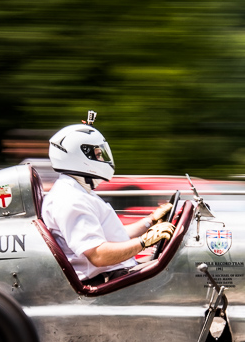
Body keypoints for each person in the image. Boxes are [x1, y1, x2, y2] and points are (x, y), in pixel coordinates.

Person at [41, 112, 174, 284]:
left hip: (118, 271)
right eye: (97, 154)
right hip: (108, 279)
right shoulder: (70, 200)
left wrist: (150, 221)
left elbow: (114, 237)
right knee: (181, 270)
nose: (101, 158)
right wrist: (144, 242)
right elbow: (98, 254)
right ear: (80, 156)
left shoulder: (78, 191)